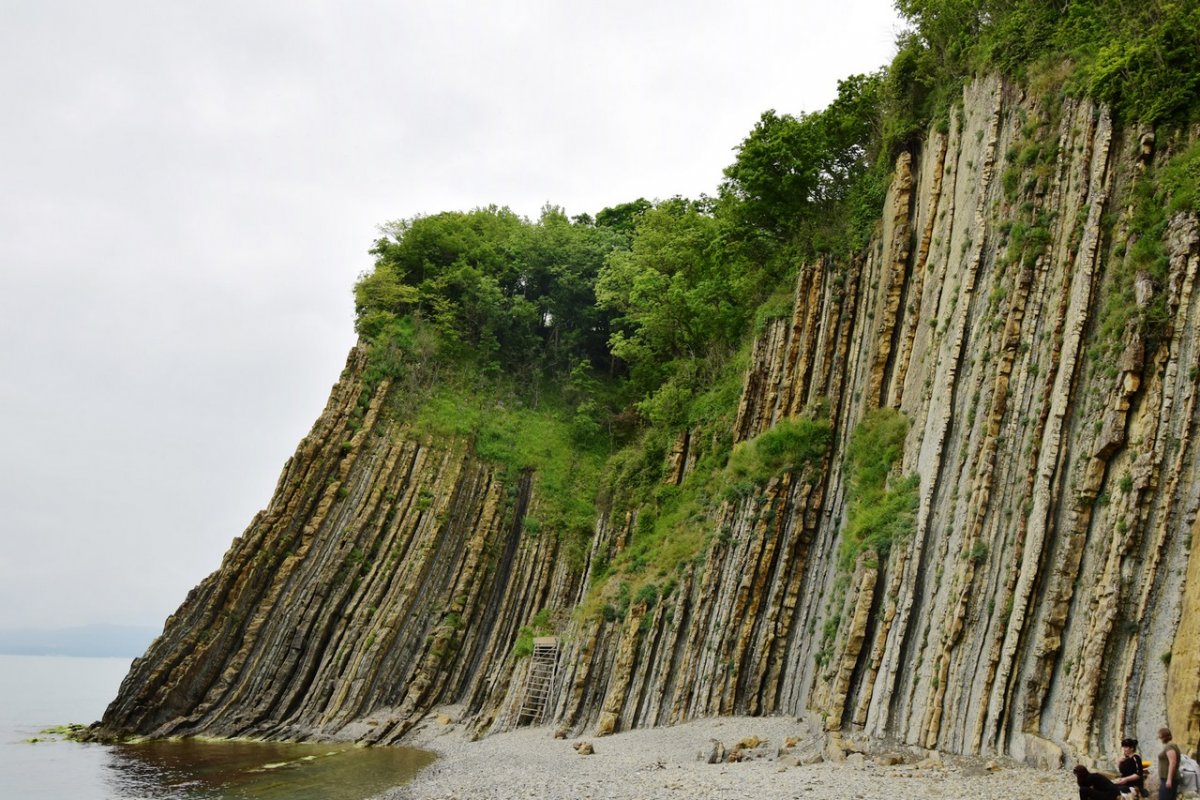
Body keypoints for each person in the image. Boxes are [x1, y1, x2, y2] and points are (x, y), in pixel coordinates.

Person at [1157, 727, 1181, 800]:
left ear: (1163, 736)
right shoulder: (1171, 745)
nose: (1159, 738)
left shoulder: (1169, 746)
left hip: (1168, 779)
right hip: (1168, 778)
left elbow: (1173, 762)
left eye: (1160, 736)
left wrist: (1169, 779)